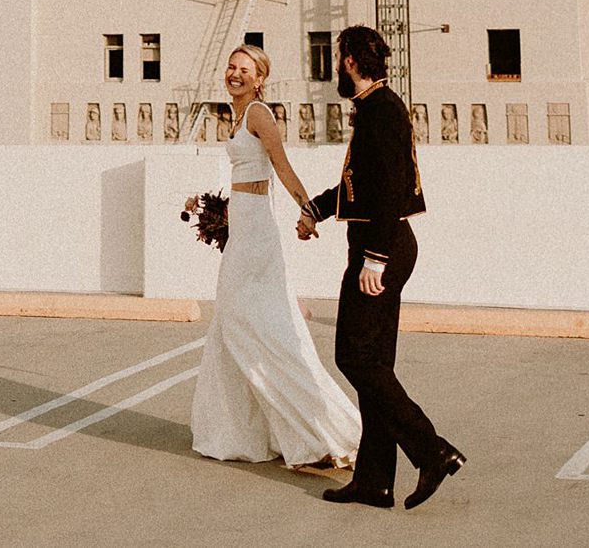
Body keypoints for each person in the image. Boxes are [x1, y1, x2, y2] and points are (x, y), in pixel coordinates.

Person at [297, 25, 466, 509]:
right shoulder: (374, 107)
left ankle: (431, 450)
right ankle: (374, 481)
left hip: (383, 248)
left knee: (355, 358)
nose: (336, 67)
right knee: (376, 365)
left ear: (350, 59)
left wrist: (376, 258)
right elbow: (360, 185)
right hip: (379, 243)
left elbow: (391, 192)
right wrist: (316, 208)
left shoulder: (383, 112)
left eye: (337, 58)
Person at [190, 45, 361, 471]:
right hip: (243, 223)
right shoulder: (236, 114)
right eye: (231, 66)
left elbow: (281, 167)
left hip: (258, 235)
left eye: (243, 70)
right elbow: (246, 174)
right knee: (234, 324)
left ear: (259, 78)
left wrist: (308, 208)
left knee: (253, 326)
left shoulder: (259, 114)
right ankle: (241, 431)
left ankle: (321, 430)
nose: (234, 74)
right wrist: (217, 212)